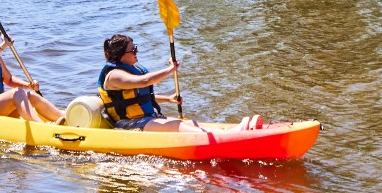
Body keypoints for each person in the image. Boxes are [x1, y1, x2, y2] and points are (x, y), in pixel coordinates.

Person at [97, 32, 264, 132]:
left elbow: (141, 97)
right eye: (132, 49)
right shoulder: (114, 76)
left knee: (190, 122)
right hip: (128, 124)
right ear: (120, 54)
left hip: (144, 118)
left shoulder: (124, 70)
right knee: (177, 125)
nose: (136, 52)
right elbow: (144, 81)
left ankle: (232, 132)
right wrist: (171, 70)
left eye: (136, 47)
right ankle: (232, 136)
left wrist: (168, 99)